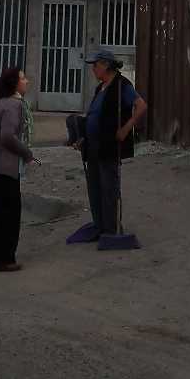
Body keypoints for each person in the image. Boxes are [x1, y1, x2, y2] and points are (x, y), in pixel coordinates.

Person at [66, 48, 146, 245]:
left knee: (109, 187)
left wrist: (126, 129)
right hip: (93, 146)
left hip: (109, 146)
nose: (93, 69)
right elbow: (94, 115)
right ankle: (100, 225)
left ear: (106, 65)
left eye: (95, 65)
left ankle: (111, 229)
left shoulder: (121, 85)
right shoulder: (100, 88)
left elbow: (141, 106)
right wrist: (82, 137)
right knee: (95, 187)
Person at [0, 66, 34, 272]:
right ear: (14, 83)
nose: (26, 81)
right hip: (5, 168)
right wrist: (27, 153)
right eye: (23, 78)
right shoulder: (14, 105)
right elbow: (7, 136)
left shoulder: (1, 102)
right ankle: (4, 259)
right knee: (9, 215)